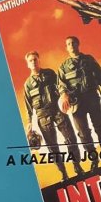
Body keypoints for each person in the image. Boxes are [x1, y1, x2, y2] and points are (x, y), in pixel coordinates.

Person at [22, 50, 79, 181]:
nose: (33, 62)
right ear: (27, 64)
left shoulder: (50, 73)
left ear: (39, 60)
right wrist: (29, 122)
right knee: (53, 147)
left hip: (58, 110)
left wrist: (65, 95)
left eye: (35, 59)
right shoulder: (28, 84)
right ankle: (63, 173)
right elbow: (27, 105)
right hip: (43, 117)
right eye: (30, 60)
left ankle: (77, 167)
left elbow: (61, 86)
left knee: (71, 138)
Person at [57, 35, 101, 158]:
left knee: (100, 128)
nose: (71, 45)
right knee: (83, 133)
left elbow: (99, 73)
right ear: (66, 48)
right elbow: (61, 84)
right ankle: (94, 159)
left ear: (78, 44)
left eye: (73, 43)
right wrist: (64, 94)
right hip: (76, 103)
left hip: (92, 98)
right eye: (68, 44)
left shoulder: (89, 59)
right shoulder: (63, 67)